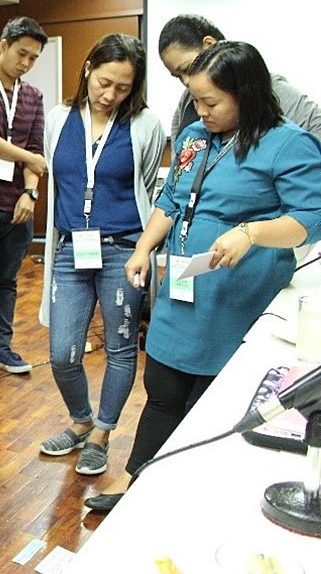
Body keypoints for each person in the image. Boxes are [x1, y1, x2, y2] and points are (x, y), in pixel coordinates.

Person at [86, 41, 321, 512]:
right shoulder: (195, 135)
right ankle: (137, 490)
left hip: (235, 300)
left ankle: (189, 501)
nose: (201, 110)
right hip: (182, 287)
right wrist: (143, 247)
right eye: (196, 99)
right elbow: (171, 201)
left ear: (247, 94)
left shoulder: (287, 142)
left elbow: (311, 216)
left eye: (211, 101)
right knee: (163, 391)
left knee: (209, 407)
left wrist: (252, 233)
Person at [38, 34, 165, 476]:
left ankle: (101, 434)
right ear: (88, 67)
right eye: (104, 82)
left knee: (120, 347)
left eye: (123, 88)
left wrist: (146, 249)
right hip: (72, 250)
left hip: (124, 251)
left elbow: (148, 187)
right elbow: (59, 181)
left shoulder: (147, 125)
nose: (110, 95)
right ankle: (79, 420)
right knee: (62, 353)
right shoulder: (58, 117)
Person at [0, 16, 48, 375]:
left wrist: (31, 193)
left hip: (17, 205)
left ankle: (1, 348)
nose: (26, 63)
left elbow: (36, 147)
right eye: (22, 54)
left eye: (33, 58)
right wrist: (30, 158)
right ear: (3, 46)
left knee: (6, 281)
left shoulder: (33, 96)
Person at [159, 14, 321, 141]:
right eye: (177, 76)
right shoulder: (187, 103)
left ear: (210, 45)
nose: (186, 81)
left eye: (187, 68)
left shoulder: (272, 89)